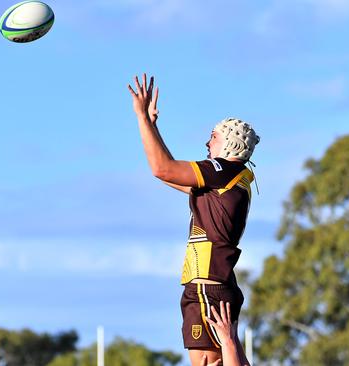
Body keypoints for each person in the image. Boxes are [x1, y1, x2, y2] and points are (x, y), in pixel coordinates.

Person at [128, 73, 258, 366]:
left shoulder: (222, 170)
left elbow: (163, 170)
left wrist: (141, 118)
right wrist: (151, 127)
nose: (207, 142)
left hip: (207, 285)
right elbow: (169, 174)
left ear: (230, 144)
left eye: (213, 136)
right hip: (215, 284)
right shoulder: (230, 180)